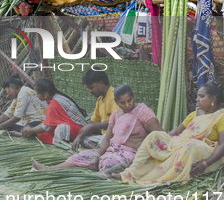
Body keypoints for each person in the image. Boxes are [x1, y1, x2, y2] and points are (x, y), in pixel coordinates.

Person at [113, 83, 224, 184]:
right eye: (197, 96)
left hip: (203, 150)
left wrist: (205, 163)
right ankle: (129, 174)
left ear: (213, 99)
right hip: (183, 143)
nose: (197, 99)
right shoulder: (195, 114)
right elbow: (176, 132)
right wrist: (165, 142)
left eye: (201, 96)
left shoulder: (223, 117)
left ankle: (154, 180)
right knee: (153, 136)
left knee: (189, 147)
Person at [32, 84, 163, 175]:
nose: (128, 105)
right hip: (112, 150)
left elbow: (160, 135)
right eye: (122, 102)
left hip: (133, 154)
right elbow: (107, 139)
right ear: (117, 102)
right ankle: (49, 169)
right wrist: (96, 155)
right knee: (80, 156)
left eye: (130, 100)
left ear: (134, 97)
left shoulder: (143, 112)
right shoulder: (116, 115)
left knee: (108, 164)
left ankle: (108, 170)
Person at [22, 78, 87, 145]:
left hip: (81, 130)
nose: (36, 95)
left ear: (46, 94)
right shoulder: (57, 97)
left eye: (38, 93)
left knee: (59, 129)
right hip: (80, 127)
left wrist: (30, 130)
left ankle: (62, 144)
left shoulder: (53, 105)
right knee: (42, 134)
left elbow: (46, 127)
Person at [70, 69, 119, 152]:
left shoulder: (115, 95)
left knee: (103, 142)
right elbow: (93, 121)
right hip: (104, 136)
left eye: (91, 87)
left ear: (100, 83)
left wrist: (93, 126)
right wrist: (80, 136)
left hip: (115, 135)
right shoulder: (100, 100)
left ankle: (101, 150)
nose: (90, 91)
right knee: (84, 140)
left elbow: (117, 121)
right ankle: (100, 150)